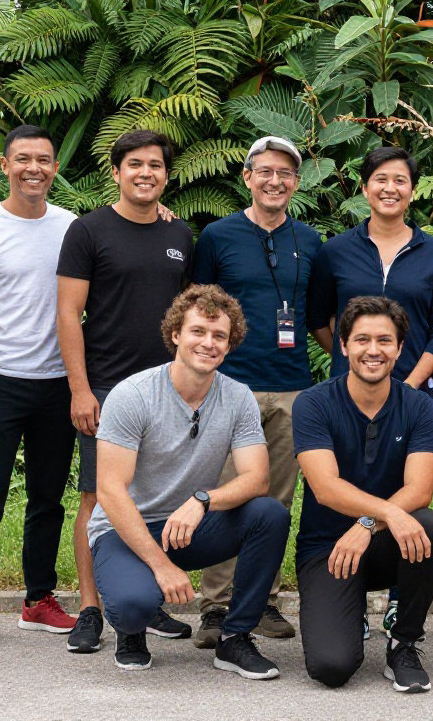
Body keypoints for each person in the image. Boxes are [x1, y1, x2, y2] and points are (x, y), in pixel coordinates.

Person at [89, 285, 290, 677]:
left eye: (219, 336)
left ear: (230, 344)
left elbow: (256, 479)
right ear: (176, 334)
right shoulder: (132, 395)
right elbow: (109, 491)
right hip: (124, 528)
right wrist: (161, 566)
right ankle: (131, 631)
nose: (208, 343)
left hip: (188, 524)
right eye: (198, 331)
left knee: (268, 514)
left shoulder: (238, 397)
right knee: (133, 606)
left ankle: (235, 639)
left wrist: (202, 500)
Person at [56, 129, 195, 652]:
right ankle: (91, 609)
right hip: (107, 388)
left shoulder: (180, 236)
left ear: (166, 175)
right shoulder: (88, 231)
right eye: (134, 164)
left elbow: (190, 315)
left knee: (159, 495)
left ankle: (147, 601)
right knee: (96, 497)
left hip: (170, 389)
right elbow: (68, 313)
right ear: (115, 173)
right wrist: (80, 389)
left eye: (156, 165)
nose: (145, 173)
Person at [309, 145, 433, 634]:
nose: (390, 188)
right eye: (380, 179)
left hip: (410, 393)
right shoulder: (336, 250)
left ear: (412, 190)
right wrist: (356, 363)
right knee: (349, 482)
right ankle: (347, 595)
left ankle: (398, 602)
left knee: (407, 492)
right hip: (349, 396)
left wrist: (405, 386)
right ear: (365, 187)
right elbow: (320, 319)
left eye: (400, 180)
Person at [189, 136, 322, 647]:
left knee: (275, 500)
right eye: (265, 171)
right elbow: (197, 312)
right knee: (225, 495)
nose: (275, 181)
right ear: (247, 177)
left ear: (295, 183)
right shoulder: (218, 236)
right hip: (228, 388)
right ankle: (216, 608)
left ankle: (259, 599)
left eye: (285, 173)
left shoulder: (310, 242)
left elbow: (318, 317)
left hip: (291, 389)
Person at [0, 126, 79, 648]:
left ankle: (38, 599)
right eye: (23, 159)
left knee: (47, 499)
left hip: (57, 381)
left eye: (44, 159)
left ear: (55, 167)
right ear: (4, 165)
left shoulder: (73, 227)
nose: (34, 168)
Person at [291, 296, 433, 692]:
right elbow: (325, 489)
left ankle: (403, 643)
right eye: (361, 340)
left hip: (384, 545)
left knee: (428, 525)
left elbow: (421, 489)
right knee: (331, 667)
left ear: (399, 348)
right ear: (343, 346)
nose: (373, 350)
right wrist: (386, 515)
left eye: (384, 340)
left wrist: (367, 523)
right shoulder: (313, 403)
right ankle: (349, 611)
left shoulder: (420, 408)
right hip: (327, 547)